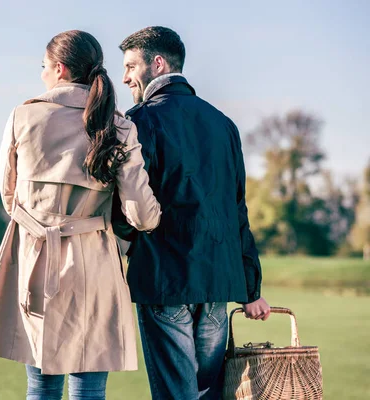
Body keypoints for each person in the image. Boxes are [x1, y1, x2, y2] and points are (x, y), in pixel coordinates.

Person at [0, 30, 161, 400]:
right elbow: (141, 215)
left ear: (58, 68)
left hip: (35, 260)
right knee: (89, 388)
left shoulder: (23, 116)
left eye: (44, 66)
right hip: (94, 262)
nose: (42, 74)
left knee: (40, 386)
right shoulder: (117, 125)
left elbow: (10, 198)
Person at [112, 26, 271, 400]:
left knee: (176, 393)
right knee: (205, 393)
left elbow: (126, 207)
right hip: (217, 282)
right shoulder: (224, 125)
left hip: (165, 277)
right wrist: (251, 288)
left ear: (157, 63)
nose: (125, 77)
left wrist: (124, 235)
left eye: (131, 66)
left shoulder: (139, 121)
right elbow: (237, 211)